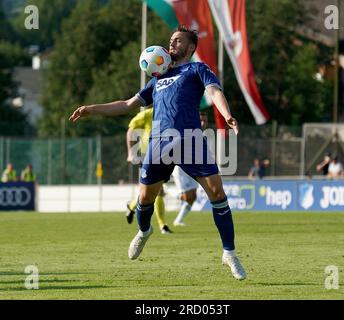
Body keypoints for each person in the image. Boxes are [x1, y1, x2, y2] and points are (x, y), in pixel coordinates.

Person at [69, 25, 246, 280]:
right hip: (160, 143)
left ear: (191, 47)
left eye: (178, 41)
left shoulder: (197, 69)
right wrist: (91, 109)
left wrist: (227, 114)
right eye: (171, 40)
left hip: (191, 141)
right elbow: (128, 105)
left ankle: (229, 253)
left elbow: (214, 91)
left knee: (218, 194)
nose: (171, 44)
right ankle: (144, 231)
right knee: (144, 199)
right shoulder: (157, 79)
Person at [125, 108, 173, 234]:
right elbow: (131, 129)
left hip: (164, 155)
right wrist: (131, 152)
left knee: (154, 191)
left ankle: (131, 206)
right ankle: (163, 225)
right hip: (147, 155)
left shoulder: (169, 112)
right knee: (156, 191)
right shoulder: (147, 114)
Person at [172, 111, 208, 226]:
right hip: (181, 167)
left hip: (193, 167)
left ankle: (178, 220)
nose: (202, 123)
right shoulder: (187, 131)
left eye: (205, 121)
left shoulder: (203, 135)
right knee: (187, 196)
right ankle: (165, 191)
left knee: (193, 196)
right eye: (200, 120)